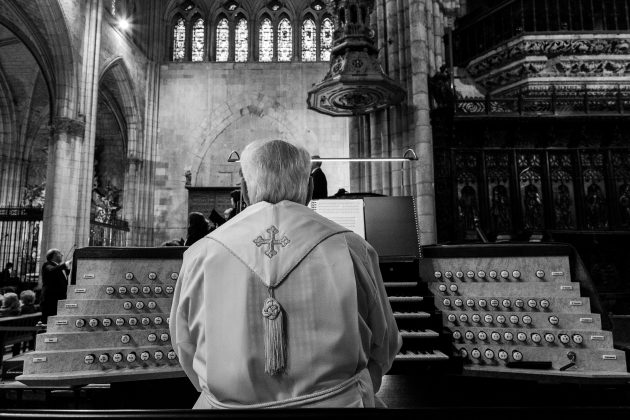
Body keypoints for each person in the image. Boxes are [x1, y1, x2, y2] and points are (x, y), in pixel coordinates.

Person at [170, 140, 401, 409]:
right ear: (311, 189)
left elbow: (185, 347)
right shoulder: (351, 247)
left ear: (243, 190)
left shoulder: (201, 254)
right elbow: (385, 345)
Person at [40, 249, 71, 321]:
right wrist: (65, 264)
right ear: (54, 255)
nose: (62, 255)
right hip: (50, 300)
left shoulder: (59, 267)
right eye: (60, 253)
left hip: (60, 299)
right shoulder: (47, 265)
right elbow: (52, 270)